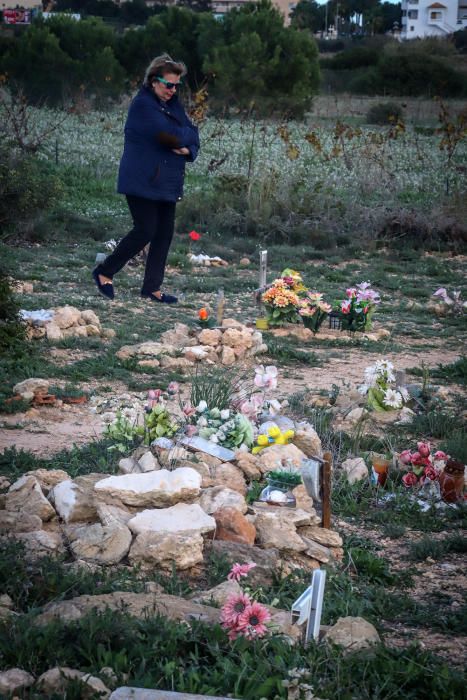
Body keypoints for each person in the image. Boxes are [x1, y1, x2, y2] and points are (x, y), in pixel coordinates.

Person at [92, 54, 200, 304]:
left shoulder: (172, 105)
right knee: (145, 230)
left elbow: (193, 134)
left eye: (176, 85)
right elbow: (168, 135)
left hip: (167, 180)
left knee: (164, 233)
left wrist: (188, 150)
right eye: (168, 84)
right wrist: (183, 139)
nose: (173, 90)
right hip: (142, 180)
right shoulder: (143, 105)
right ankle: (104, 272)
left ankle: (152, 287)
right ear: (154, 81)